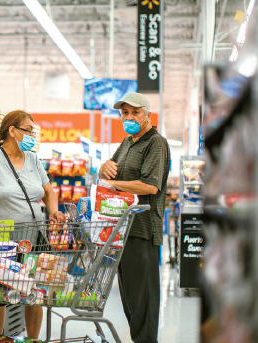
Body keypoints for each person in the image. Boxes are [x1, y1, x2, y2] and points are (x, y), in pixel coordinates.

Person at [0, 110, 66, 338]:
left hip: (34, 236)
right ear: (12, 131)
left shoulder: (34, 159)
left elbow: (48, 191)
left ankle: (33, 340)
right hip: (1, 237)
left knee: (34, 294)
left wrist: (54, 211)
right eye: (28, 130)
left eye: (33, 132)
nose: (32, 136)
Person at [99, 92, 170, 343]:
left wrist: (114, 184)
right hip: (123, 229)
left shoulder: (156, 142)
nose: (129, 117)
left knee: (144, 301)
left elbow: (150, 186)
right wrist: (103, 167)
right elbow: (108, 173)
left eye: (135, 112)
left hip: (142, 228)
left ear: (147, 115)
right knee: (130, 299)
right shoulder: (128, 142)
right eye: (124, 113)